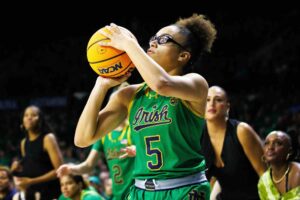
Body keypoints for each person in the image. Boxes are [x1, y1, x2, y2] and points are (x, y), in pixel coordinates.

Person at [74, 13, 217, 199]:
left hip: (185, 188)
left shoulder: (196, 84)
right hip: (141, 191)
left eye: (163, 39)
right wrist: (100, 86)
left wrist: (128, 44)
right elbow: (83, 139)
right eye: (153, 38)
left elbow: (161, 84)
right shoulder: (129, 95)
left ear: (183, 56)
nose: (153, 43)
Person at [57, 82, 135, 200]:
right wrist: (71, 169)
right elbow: (89, 165)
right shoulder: (105, 134)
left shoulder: (133, 129)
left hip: (137, 192)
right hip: (117, 195)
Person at [200, 86, 267, 200]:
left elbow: (264, 173)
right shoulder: (199, 135)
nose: (211, 103)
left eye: (218, 99)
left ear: (227, 107)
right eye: (207, 100)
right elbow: (210, 179)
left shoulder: (242, 131)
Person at [11, 105, 63, 199]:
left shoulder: (48, 138)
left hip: (51, 192)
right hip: (33, 193)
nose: (29, 117)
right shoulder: (23, 143)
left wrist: (32, 181)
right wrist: (18, 168)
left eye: (33, 115)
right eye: (26, 115)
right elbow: (31, 168)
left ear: (40, 120)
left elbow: (59, 170)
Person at [258, 130, 300, 199]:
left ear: (290, 151)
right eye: (266, 143)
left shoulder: (298, 173)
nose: (270, 147)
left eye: (278, 143)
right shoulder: (263, 181)